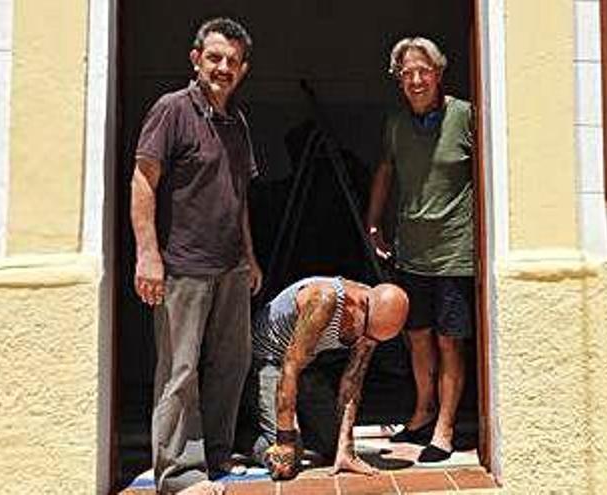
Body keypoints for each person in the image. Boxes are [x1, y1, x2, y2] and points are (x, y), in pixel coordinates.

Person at [130, 17, 262, 494]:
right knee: (180, 371)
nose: (222, 67)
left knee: (232, 362)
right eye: (214, 58)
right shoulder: (171, 110)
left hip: (230, 266)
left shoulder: (237, 122)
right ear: (196, 60)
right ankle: (179, 475)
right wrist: (148, 256)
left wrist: (250, 256)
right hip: (182, 266)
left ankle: (217, 453)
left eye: (232, 61)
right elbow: (144, 182)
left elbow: (238, 193)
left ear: (243, 69)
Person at [366, 37, 475, 463]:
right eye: (407, 72)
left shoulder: (465, 115)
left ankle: (445, 427)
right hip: (411, 251)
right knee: (416, 339)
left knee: (450, 342)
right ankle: (422, 411)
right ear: (399, 79)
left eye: (423, 70)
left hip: (453, 252)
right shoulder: (395, 123)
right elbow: (386, 170)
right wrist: (373, 221)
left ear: (438, 73)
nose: (415, 79)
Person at [250, 277, 409, 480]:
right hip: (268, 360)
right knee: (290, 458)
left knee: (333, 446)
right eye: (368, 335)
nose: (367, 343)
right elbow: (289, 367)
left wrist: (346, 450)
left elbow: (353, 380)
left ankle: (302, 431)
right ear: (360, 304)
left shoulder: (375, 317)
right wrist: (285, 440)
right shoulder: (324, 300)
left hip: (305, 364)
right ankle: (243, 439)